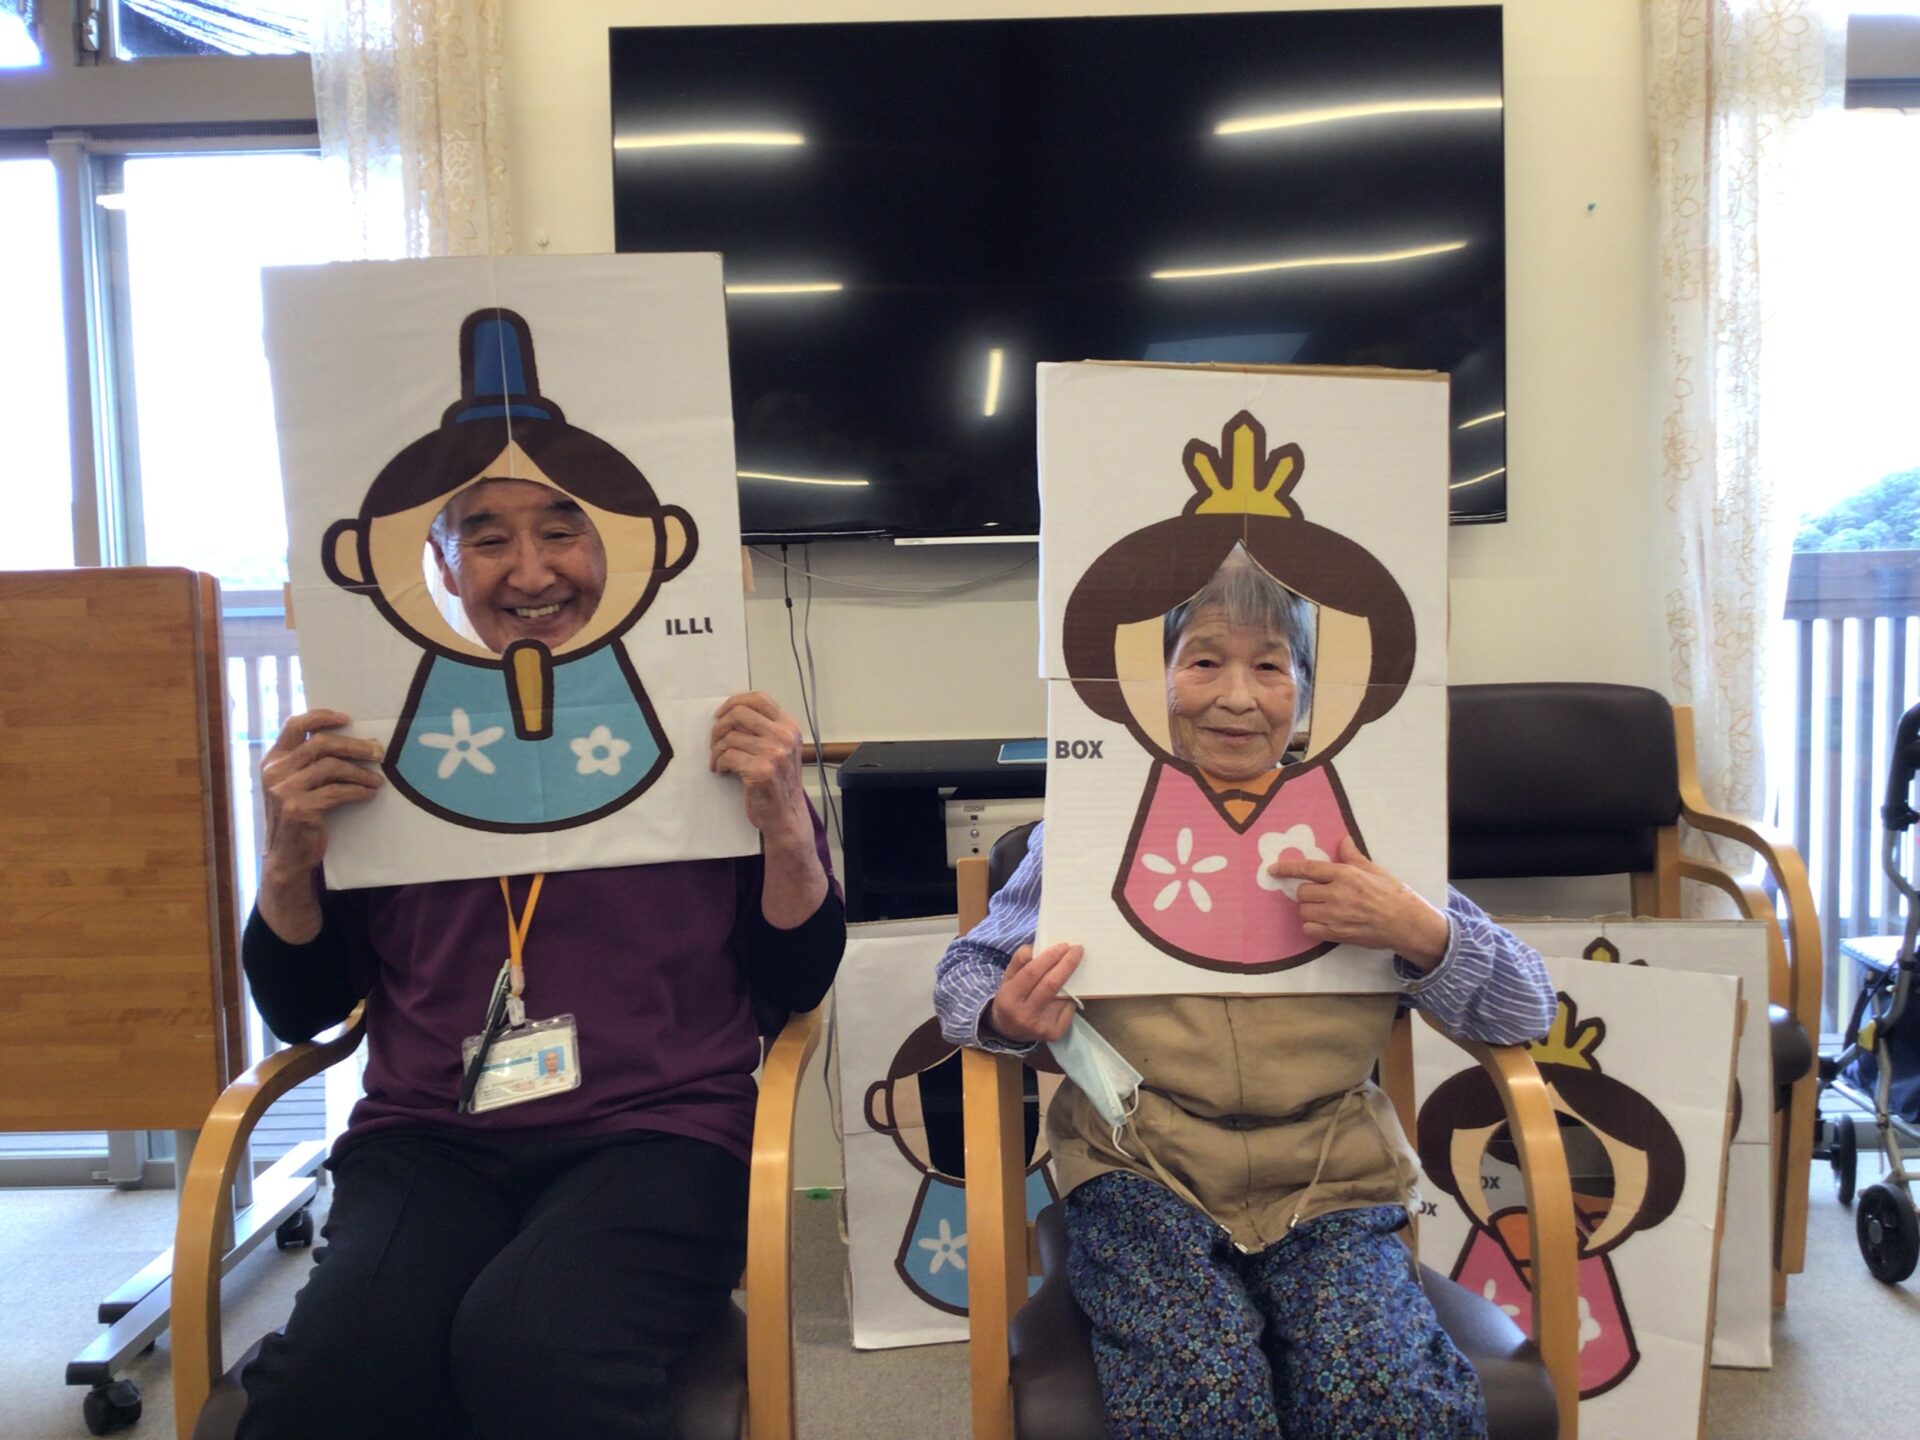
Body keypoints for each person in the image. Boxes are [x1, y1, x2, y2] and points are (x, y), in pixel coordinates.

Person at [235, 463, 843, 1440]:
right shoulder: (373, 748)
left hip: (661, 1132)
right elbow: (300, 1008)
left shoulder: (711, 735)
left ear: (629, 553)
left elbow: (796, 980)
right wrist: (287, 858)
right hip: (429, 1137)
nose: (529, 571)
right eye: (486, 539)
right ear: (439, 567)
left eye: (564, 532)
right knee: (335, 1376)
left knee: (533, 1346)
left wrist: (784, 828)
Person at [936, 551, 1554, 1440]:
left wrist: (1423, 933)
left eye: (1269, 665)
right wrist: (1007, 1011)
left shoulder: (1364, 828)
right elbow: (964, 976)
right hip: (1142, 1171)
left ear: (1307, 691)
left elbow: (1527, 1006)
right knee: (1200, 1388)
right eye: (1203, 661)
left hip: (1330, 1179)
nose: (1237, 696)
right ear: (1153, 682)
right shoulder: (1094, 827)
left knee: (1381, 1394)